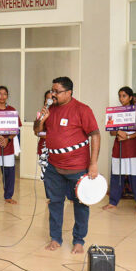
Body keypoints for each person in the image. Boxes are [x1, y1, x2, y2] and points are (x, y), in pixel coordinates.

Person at [34, 76, 100, 254]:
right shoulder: (49, 109)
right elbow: (36, 131)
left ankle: (79, 240)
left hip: (77, 167)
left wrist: (93, 163)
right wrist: (42, 119)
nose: (53, 94)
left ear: (69, 92)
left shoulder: (82, 109)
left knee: (80, 203)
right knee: (55, 203)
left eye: (57, 91)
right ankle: (55, 238)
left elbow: (95, 135)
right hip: (53, 166)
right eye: (52, 91)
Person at [104, 86, 136, 213]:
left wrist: (128, 136)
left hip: (133, 149)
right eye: (120, 96)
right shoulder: (115, 112)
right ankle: (113, 202)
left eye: (124, 96)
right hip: (119, 149)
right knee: (116, 176)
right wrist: (118, 132)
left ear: (130, 97)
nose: (121, 98)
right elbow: (111, 132)